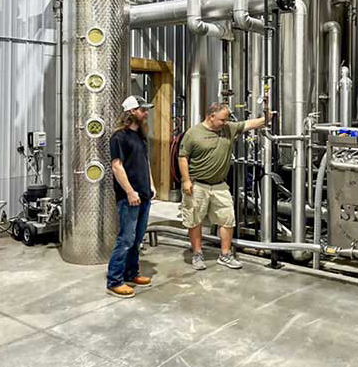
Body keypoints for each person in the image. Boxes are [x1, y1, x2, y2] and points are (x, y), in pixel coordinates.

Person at [179, 102, 269, 270]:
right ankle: (198, 254)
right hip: (198, 184)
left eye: (226, 119)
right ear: (211, 116)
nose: (225, 122)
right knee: (194, 221)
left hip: (220, 185)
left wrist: (268, 117)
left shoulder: (228, 128)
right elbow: (183, 157)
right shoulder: (193, 133)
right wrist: (186, 180)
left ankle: (225, 255)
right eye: (222, 119)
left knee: (227, 219)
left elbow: (249, 124)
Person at [106, 95, 157, 298]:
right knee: (125, 239)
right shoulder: (119, 137)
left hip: (143, 195)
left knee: (137, 239)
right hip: (129, 197)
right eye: (142, 110)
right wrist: (129, 191)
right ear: (131, 112)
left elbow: (144, 162)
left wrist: (151, 185)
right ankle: (114, 280)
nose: (146, 113)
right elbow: (116, 167)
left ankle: (131, 273)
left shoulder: (141, 136)